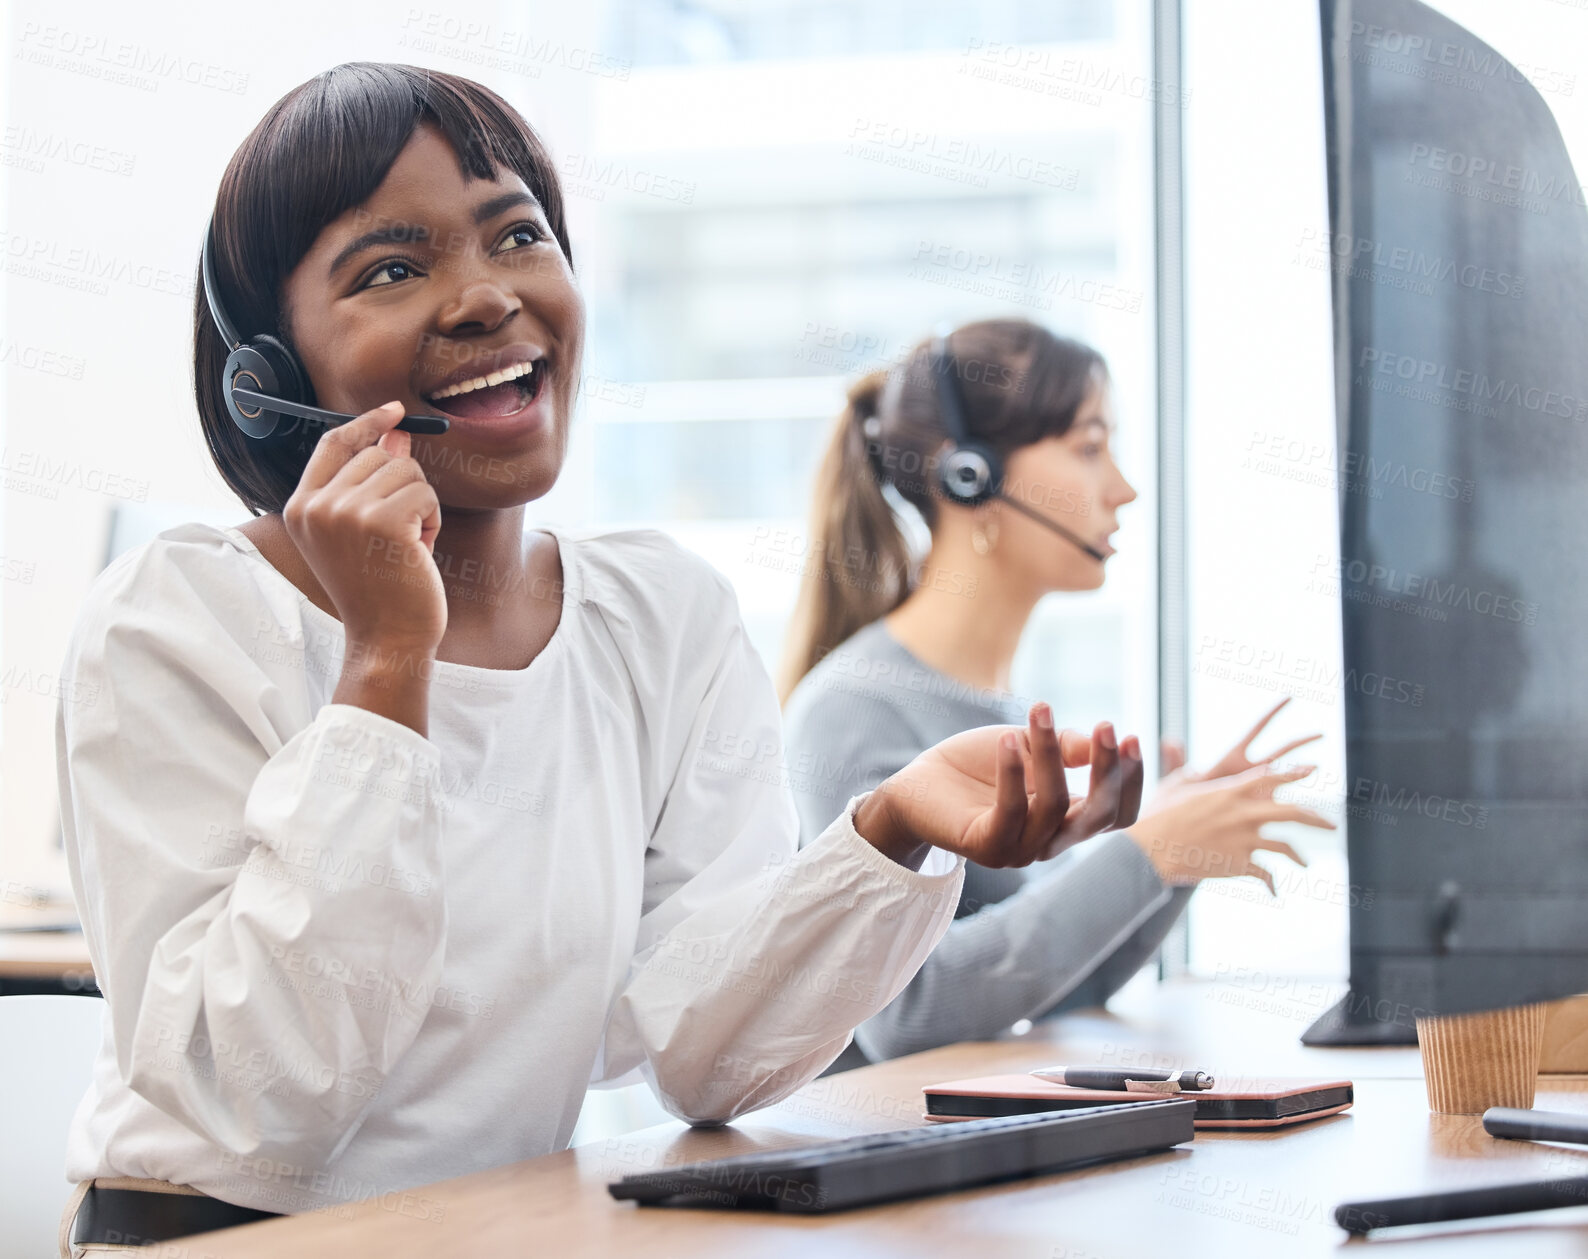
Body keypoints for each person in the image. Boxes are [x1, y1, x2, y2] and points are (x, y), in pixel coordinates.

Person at [51, 67, 1148, 1256]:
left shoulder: (658, 614)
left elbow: (702, 1054)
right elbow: (270, 1094)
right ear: (267, 378)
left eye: (519, 235)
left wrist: (888, 829)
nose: (484, 298)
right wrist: (383, 663)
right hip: (214, 1238)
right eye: (390, 267)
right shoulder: (177, 620)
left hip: (500, 1228)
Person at [779, 319, 1332, 1071]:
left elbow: (1046, 990)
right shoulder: (856, 708)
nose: (1124, 488)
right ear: (969, 474)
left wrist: (1175, 856)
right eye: (1089, 447)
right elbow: (906, 1012)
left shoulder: (994, 702)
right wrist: (1145, 851)